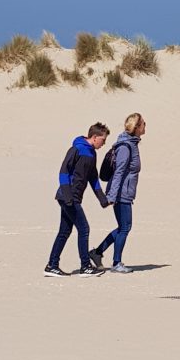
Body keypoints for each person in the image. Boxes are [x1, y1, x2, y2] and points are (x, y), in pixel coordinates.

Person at [44, 122, 110, 277]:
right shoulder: (77, 149)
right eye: (103, 140)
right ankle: (85, 266)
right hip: (68, 196)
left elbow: (93, 178)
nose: (104, 143)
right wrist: (67, 195)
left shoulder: (92, 154)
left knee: (64, 231)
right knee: (84, 229)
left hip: (73, 198)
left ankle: (52, 266)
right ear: (94, 137)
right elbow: (63, 171)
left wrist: (103, 199)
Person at [89, 113, 146, 274]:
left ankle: (97, 252)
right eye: (143, 124)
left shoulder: (131, 144)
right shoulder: (125, 147)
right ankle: (116, 263)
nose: (145, 126)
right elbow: (119, 172)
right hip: (121, 193)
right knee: (125, 227)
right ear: (136, 127)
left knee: (123, 227)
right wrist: (112, 196)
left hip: (125, 192)